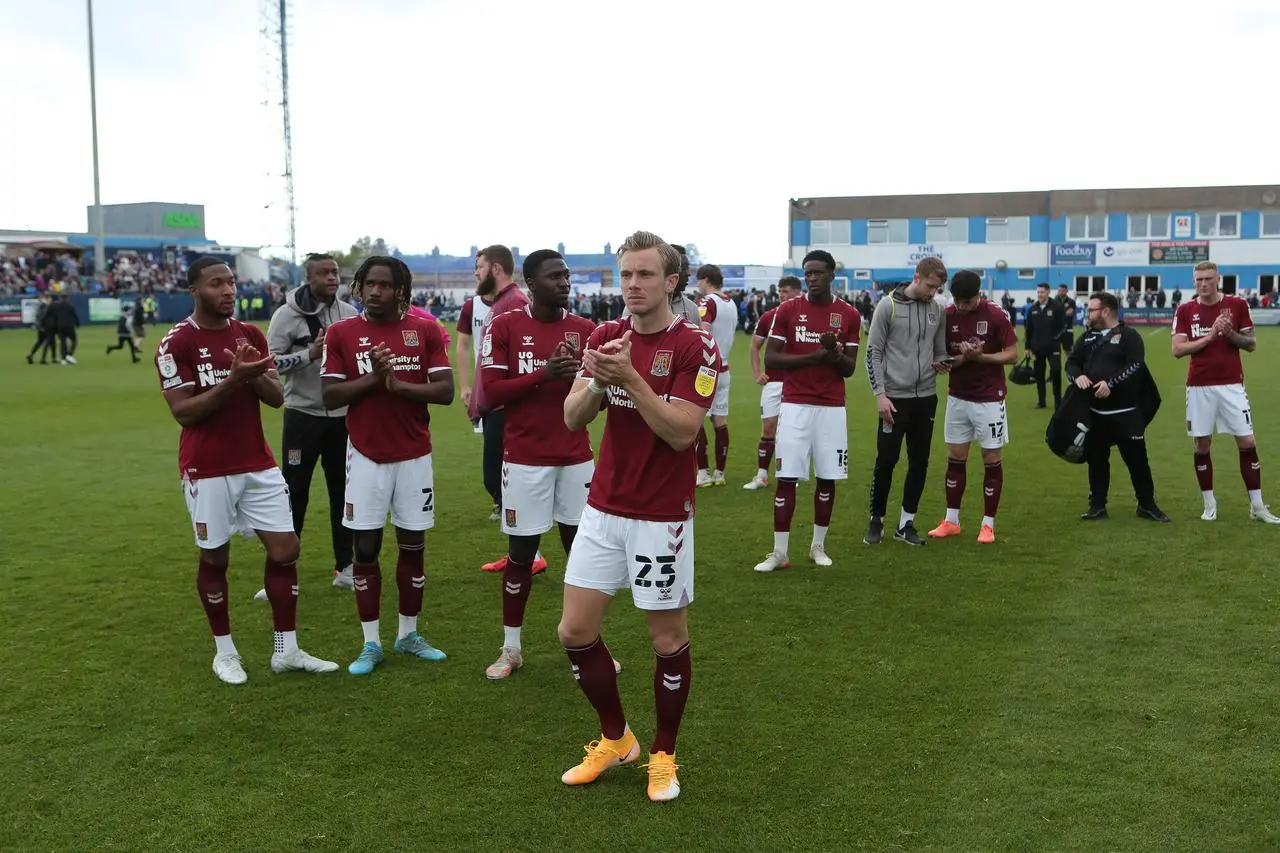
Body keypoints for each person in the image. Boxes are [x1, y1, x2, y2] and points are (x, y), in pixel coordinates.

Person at [556, 231, 720, 803]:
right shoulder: (605, 336)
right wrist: (601, 377)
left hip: (659, 515)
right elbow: (575, 419)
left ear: (670, 281)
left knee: (666, 637)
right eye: (625, 275)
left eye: (645, 275)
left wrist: (631, 380)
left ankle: (663, 755)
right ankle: (616, 738)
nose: (632, 285)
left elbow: (681, 433)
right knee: (574, 632)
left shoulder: (696, 345)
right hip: (602, 506)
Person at [155, 256, 338, 684]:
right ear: (195, 291)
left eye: (231, 282)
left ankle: (286, 649)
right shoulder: (176, 343)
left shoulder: (249, 334)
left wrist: (252, 374)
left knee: (286, 550)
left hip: (258, 463)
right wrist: (235, 378)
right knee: (215, 556)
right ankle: (226, 653)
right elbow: (184, 412)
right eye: (216, 283)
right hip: (207, 467)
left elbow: (276, 397)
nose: (228, 290)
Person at [320, 256, 455, 675]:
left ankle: (408, 634)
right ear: (359, 287)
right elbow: (330, 396)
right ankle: (371, 643)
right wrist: (377, 381)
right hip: (365, 457)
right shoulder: (342, 333)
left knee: (413, 547)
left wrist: (397, 384)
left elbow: (446, 391)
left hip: (414, 456)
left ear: (400, 290)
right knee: (366, 550)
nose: (374, 291)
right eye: (368, 284)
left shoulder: (425, 329)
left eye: (384, 285)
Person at [478, 249, 597, 679]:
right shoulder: (506, 325)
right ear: (531, 283)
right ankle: (511, 649)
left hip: (576, 457)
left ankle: (586, 647)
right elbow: (491, 393)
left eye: (566, 275)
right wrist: (543, 375)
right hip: (525, 460)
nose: (564, 282)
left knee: (582, 555)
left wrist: (579, 381)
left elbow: (595, 405)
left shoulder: (586, 330)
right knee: (520, 554)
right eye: (554, 276)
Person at [753, 251, 861, 572]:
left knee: (827, 477)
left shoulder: (849, 315)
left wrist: (833, 352)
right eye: (807, 273)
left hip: (831, 408)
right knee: (786, 477)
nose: (811, 278)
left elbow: (849, 369)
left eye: (817, 273)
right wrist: (816, 356)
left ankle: (818, 546)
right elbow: (772, 359)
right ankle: (779, 552)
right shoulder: (788, 310)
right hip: (795, 405)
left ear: (831, 275)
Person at [264, 253, 360, 593]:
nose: (331, 278)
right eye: (323, 273)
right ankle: (283, 567)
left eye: (334, 272)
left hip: (342, 417)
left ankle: (345, 566)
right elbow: (270, 364)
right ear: (309, 278)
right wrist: (309, 354)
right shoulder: (286, 316)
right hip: (302, 416)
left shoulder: (348, 314)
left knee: (343, 492)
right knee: (294, 492)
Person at [1172, 261, 1279, 523]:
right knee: (1202, 445)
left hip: (1232, 385)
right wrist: (1210, 337)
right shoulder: (1185, 309)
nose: (1203, 284)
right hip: (1199, 386)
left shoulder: (1237, 305)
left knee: (1247, 442)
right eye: (1198, 280)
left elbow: (1251, 344)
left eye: (1208, 279)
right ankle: (1209, 504)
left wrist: (1228, 332)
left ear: (1218, 279)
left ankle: (1257, 506)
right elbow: (1177, 349)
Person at [468, 246, 547, 575]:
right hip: (496, 405)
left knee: (501, 480)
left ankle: (531, 554)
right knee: (500, 481)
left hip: (505, 406)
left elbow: (520, 358)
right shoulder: (501, 303)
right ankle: (524, 553)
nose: (476, 273)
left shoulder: (513, 303)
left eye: (479, 266)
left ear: (495, 268)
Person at [926, 271, 1018, 544]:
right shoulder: (949, 315)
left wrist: (982, 357)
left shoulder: (996, 315)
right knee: (955, 457)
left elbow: (1012, 354)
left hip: (990, 399)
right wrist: (957, 360)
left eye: (967, 302)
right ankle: (951, 520)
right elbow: (945, 359)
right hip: (958, 397)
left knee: (991, 458)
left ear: (979, 294)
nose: (962, 307)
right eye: (958, 301)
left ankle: (988, 524)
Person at [863, 257, 950, 546]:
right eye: (929, 286)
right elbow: (872, 352)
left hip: (926, 397)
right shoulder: (887, 306)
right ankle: (877, 520)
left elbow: (938, 350)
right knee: (886, 460)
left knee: (920, 462)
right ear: (916, 276)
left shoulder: (938, 309)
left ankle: (906, 523)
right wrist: (880, 396)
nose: (932, 293)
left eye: (937, 288)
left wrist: (942, 362)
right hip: (893, 399)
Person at [1067, 291, 1170, 522]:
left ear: (1105, 311)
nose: (1087, 313)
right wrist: (1077, 377)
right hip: (1095, 414)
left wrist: (1110, 383)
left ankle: (1146, 504)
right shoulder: (1086, 338)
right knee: (1096, 460)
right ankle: (1097, 505)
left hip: (1126, 414)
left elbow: (1136, 366)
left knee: (1137, 461)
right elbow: (1072, 362)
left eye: (1091, 309)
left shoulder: (1129, 336)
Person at [742, 276, 802, 490]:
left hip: (797, 382)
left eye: (786, 291)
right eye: (780, 291)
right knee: (768, 428)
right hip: (774, 382)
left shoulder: (806, 316)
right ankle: (762, 476)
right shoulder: (769, 317)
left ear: (797, 292)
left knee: (791, 431)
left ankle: (789, 474)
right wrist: (758, 373)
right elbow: (754, 346)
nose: (781, 295)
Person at [693, 263, 737, 487]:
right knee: (720, 420)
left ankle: (702, 473)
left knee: (696, 419)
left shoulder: (707, 302)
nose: (696, 285)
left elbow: (704, 331)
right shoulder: (730, 302)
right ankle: (720, 473)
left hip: (708, 369)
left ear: (705, 280)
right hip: (725, 367)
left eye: (698, 280)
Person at [1025, 283, 1066, 409]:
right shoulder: (1033, 309)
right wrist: (1027, 347)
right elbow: (1029, 330)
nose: (1040, 295)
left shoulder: (1057, 307)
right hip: (1037, 348)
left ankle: (1058, 402)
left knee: (1056, 372)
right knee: (1039, 375)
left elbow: (1063, 327)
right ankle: (1041, 402)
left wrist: (1055, 340)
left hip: (1053, 348)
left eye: (1042, 292)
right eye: (1038, 292)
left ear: (1048, 292)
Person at [25, 293, 57, 364]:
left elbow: (38, 316)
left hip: (42, 326)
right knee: (50, 341)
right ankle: (46, 358)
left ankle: (31, 355)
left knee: (41, 341)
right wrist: (41, 326)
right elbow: (42, 316)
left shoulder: (42, 305)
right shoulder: (44, 306)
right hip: (45, 326)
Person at [53, 294, 80, 365]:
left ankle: (63, 359)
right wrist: (77, 324)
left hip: (60, 326)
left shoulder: (57, 307)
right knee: (74, 340)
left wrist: (55, 325)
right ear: (67, 299)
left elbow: (55, 317)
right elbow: (75, 316)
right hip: (69, 326)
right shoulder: (70, 307)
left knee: (63, 342)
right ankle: (69, 355)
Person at [1055, 284, 1077, 354]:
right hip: (1056, 331)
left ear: (1066, 291)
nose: (1061, 292)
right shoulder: (1053, 301)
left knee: (1069, 352)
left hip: (1067, 330)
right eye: (1059, 290)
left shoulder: (1071, 302)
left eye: (1063, 290)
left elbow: (1070, 313)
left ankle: (1071, 365)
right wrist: (1064, 312)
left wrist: (1059, 313)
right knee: (1056, 353)